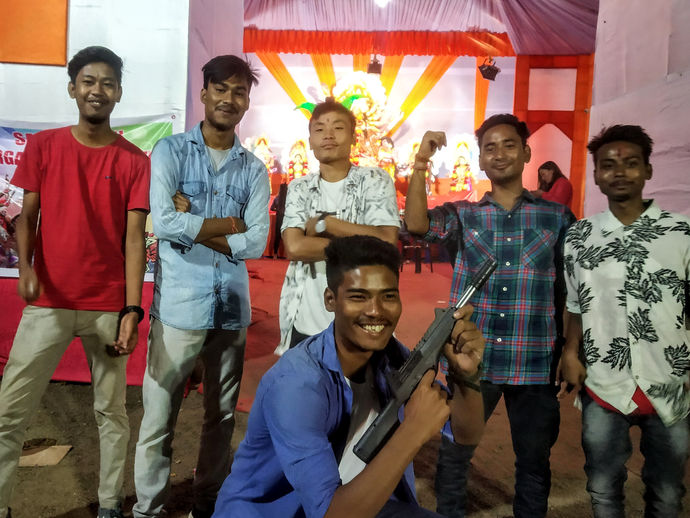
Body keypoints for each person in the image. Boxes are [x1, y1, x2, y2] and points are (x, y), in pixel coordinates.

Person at [213, 235, 486, 518]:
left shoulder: (392, 358)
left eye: (388, 296)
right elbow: (330, 514)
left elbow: (466, 434)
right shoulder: (297, 384)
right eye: (358, 296)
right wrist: (413, 430)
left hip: (358, 502)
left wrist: (466, 375)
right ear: (330, 300)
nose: (376, 311)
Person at [0, 46, 150, 518]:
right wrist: (27, 269)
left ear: (119, 93)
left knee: (111, 413)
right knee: (9, 413)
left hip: (107, 306)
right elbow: (26, 217)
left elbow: (134, 239)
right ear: (72, 89)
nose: (97, 90)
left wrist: (131, 310)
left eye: (107, 83)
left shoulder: (134, 160)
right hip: (49, 302)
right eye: (88, 81)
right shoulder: (44, 147)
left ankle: (109, 505)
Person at [404, 114, 575, 518]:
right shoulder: (464, 215)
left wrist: (571, 349)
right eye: (490, 147)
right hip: (472, 360)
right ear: (480, 159)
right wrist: (421, 163)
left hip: (534, 361)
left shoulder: (557, 218)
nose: (499, 154)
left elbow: (571, 291)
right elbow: (416, 225)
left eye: (509, 145)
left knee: (533, 462)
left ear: (527, 153)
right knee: (455, 453)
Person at [133, 55, 270, 518]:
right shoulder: (170, 152)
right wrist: (228, 223)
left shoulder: (253, 169)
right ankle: (149, 510)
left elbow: (256, 242)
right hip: (179, 308)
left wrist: (193, 222)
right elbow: (163, 223)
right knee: (158, 418)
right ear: (204, 93)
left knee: (222, 417)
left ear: (247, 102)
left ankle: (208, 504)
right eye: (221, 89)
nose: (229, 99)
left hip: (230, 310)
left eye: (239, 92)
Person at [559, 125, 689, 517]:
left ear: (648, 170)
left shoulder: (681, 233)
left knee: (667, 493)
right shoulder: (580, 236)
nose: (619, 172)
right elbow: (575, 303)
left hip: (669, 382)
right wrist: (570, 352)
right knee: (602, 488)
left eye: (631, 163)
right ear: (596, 175)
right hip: (604, 383)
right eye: (608, 165)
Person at [275, 99, 400, 354]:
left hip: (364, 318)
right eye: (320, 129)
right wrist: (362, 242)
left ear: (354, 137)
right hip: (305, 319)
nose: (328, 135)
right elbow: (295, 247)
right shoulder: (300, 187)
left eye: (338, 128)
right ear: (310, 141)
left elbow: (387, 242)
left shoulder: (375, 180)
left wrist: (326, 224)